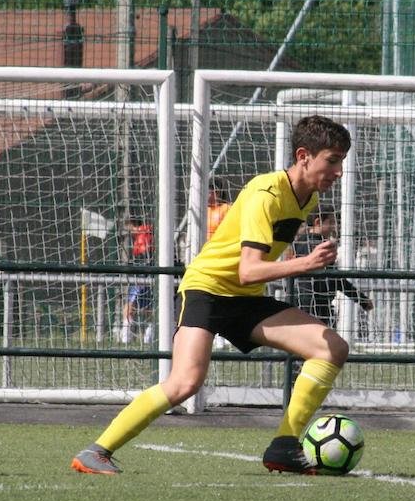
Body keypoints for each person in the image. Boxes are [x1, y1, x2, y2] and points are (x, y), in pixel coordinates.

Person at [72, 115, 352, 475]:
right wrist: (305, 264)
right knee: (185, 382)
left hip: (246, 298)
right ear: (303, 156)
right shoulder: (265, 194)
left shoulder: (308, 198)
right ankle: (96, 451)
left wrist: (303, 261)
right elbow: (248, 268)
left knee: (333, 348)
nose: (339, 171)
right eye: (332, 160)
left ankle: (284, 445)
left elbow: (255, 267)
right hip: (206, 289)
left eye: (341, 161)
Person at [291, 207, 373, 328]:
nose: (334, 227)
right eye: (331, 222)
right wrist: (361, 299)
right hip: (315, 306)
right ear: (318, 222)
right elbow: (335, 279)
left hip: (301, 303)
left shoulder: (300, 243)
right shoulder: (320, 247)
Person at [119, 218, 154, 344]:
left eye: (129, 227)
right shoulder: (140, 238)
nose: (129, 232)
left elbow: (149, 229)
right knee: (144, 306)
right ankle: (143, 336)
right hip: (142, 269)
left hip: (145, 270)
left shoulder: (145, 232)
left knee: (132, 304)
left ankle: (127, 336)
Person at [207, 177, 232, 241]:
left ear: (217, 193)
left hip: (218, 245)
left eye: (208, 192)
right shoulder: (204, 210)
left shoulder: (226, 208)